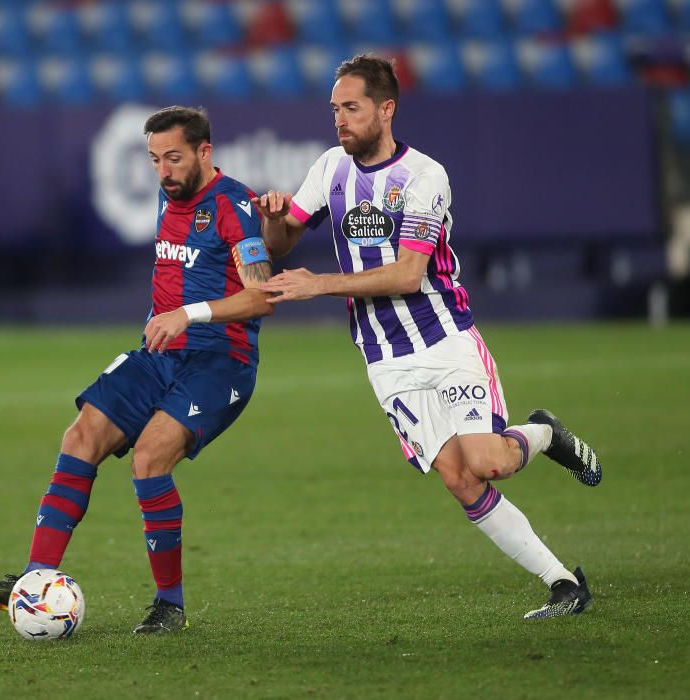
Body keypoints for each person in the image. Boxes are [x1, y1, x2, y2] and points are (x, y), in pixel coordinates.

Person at [257, 55, 602, 619]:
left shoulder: (424, 176)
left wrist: (319, 285)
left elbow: (407, 274)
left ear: (386, 109)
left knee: (487, 461)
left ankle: (543, 433)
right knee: (457, 478)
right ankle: (563, 583)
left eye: (351, 108)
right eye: (335, 110)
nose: (339, 120)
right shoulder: (329, 169)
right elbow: (281, 241)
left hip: (444, 341)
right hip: (384, 360)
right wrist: (274, 217)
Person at [0, 106, 274, 634]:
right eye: (154, 160)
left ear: (205, 152)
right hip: (159, 351)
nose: (163, 171)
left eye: (173, 158)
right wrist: (169, 318)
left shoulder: (232, 205)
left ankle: (169, 605)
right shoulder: (168, 193)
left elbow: (262, 296)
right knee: (81, 435)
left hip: (221, 361)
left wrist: (188, 314)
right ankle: (36, 579)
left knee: (150, 457)